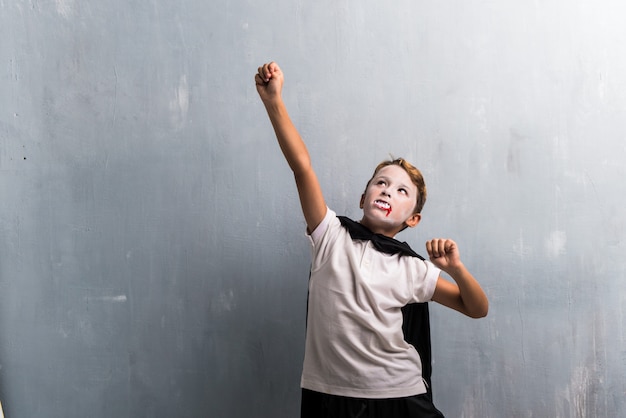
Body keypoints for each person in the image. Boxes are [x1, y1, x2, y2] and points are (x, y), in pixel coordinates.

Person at [255, 61, 489, 418]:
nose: (387, 190)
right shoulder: (329, 235)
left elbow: (477, 308)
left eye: (401, 190)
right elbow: (302, 166)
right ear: (363, 197)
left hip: (398, 396)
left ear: (413, 218)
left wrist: (456, 269)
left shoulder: (412, 268)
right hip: (329, 393)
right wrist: (274, 103)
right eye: (380, 182)